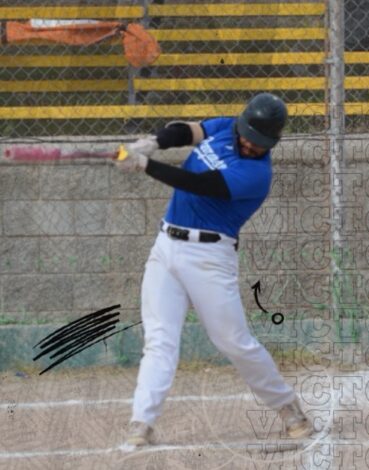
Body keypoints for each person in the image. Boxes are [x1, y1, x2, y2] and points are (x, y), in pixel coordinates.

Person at [114, 93, 313, 448]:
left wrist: (146, 166)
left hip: (208, 257)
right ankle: (141, 423)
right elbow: (185, 131)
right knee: (159, 340)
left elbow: (200, 186)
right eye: (249, 135)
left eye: (260, 142)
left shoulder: (256, 174)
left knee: (233, 342)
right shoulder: (225, 127)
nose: (251, 144)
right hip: (165, 246)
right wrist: (153, 143)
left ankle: (287, 408)